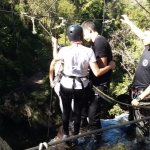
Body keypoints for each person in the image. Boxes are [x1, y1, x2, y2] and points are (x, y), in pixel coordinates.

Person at [49, 24, 115, 140]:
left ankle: (66, 134)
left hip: (66, 84)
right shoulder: (88, 51)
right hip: (81, 86)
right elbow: (97, 72)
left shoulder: (64, 50)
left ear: (69, 38)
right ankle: (75, 135)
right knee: (78, 112)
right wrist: (110, 66)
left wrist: (55, 43)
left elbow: (55, 58)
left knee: (66, 110)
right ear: (80, 35)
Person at [81, 21, 113, 140]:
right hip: (94, 83)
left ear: (90, 30)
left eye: (84, 34)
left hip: (100, 85)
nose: (83, 38)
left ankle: (97, 142)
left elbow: (102, 65)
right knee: (85, 110)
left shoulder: (99, 42)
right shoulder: (95, 43)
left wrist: (109, 67)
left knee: (93, 115)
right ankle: (88, 135)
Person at [121, 14, 150, 142]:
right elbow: (140, 33)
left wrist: (140, 97)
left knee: (141, 128)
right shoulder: (148, 47)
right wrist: (128, 22)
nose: (143, 37)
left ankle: (141, 145)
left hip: (143, 96)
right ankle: (132, 139)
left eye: (146, 35)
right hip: (135, 91)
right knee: (133, 122)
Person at [50, 36, 65, 113]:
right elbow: (51, 71)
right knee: (63, 100)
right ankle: (68, 120)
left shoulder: (65, 59)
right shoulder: (55, 61)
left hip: (65, 82)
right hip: (58, 82)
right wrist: (51, 82)